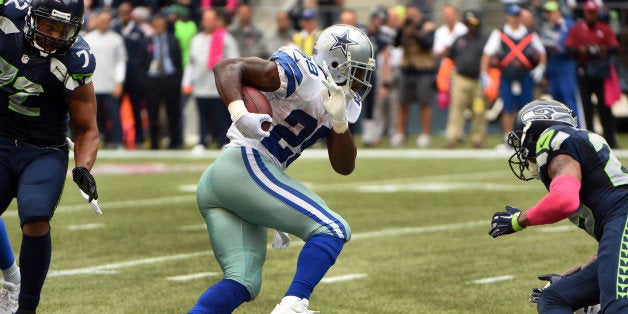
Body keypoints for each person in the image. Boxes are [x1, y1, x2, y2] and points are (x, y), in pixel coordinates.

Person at [188, 24, 375, 313]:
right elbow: (226, 67)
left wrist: (339, 123)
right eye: (358, 70)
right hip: (244, 162)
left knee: (243, 282)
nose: (362, 79)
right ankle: (293, 304)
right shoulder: (304, 75)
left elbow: (344, 166)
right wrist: (240, 114)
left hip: (230, 181)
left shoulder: (338, 101)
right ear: (336, 63)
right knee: (332, 228)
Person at [0, 0, 100, 312]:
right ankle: (9, 276)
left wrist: (83, 168)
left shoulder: (75, 60)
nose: (53, 35)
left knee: (36, 216)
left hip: (43, 148)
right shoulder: (7, 19)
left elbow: (87, 129)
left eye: (63, 29)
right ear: (30, 16)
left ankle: (26, 307)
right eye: (48, 25)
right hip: (1, 138)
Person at [488, 99, 628, 312]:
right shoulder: (574, 142)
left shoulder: (553, 138)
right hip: (621, 223)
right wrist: (581, 271)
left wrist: (519, 220)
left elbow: (565, 200)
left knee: (617, 307)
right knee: (554, 297)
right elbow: (616, 247)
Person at [480, 4, 546, 147]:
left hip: (525, 77)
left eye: (517, 16)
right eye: (512, 16)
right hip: (507, 76)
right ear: (507, 17)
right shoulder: (499, 34)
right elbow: (487, 54)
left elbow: (542, 53)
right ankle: (508, 138)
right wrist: (484, 73)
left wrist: (541, 67)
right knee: (507, 108)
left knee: (527, 109)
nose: (514, 19)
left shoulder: (529, 35)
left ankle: (527, 139)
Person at [565, 0, 619, 148]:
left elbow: (614, 47)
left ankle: (610, 139)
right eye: (589, 12)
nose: (591, 15)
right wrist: (583, 49)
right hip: (584, 71)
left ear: (597, 13)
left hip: (601, 72)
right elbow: (569, 48)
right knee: (586, 108)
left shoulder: (605, 28)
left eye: (594, 12)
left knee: (605, 107)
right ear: (585, 13)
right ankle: (588, 141)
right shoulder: (577, 29)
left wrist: (601, 49)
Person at [183, 8, 239, 153]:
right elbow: (191, 62)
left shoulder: (225, 38)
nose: (209, 22)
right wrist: (187, 81)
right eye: (206, 19)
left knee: (221, 115)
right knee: (202, 115)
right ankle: (202, 141)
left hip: (219, 86)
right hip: (200, 85)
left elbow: (235, 60)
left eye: (211, 19)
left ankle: (223, 140)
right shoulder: (196, 40)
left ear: (217, 21)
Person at [391, 5, 436, 148]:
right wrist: (401, 29)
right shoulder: (403, 27)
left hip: (423, 70)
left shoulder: (428, 26)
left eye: (413, 15)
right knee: (403, 103)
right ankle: (401, 133)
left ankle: (424, 134)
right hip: (407, 69)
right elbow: (395, 43)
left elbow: (428, 44)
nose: (411, 18)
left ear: (419, 15)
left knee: (425, 103)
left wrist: (415, 33)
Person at [444, 10, 488, 149]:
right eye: (468, 23)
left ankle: (477, 139)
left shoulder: (484, 40)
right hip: (461, 79)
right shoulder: (459, 39)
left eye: (473, 23)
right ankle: (453, 138)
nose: (471, 26)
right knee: (456, 109)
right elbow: (451, 57)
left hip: (478, 81)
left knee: (479, 111)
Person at [84, 10, 127, 150]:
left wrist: (119, 82)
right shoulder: (88, 38)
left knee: (114, 116)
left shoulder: (116, 39)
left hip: (110, 85)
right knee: (93, 118)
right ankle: (95, 142)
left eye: (107, 20)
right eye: (101, 20)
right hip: (92, 85)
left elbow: (121, 62)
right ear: (96, 21)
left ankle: (117, 142)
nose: (104, 23)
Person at [140, 13, 184, 150]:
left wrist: (177, 80)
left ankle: (175, 142)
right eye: (156, 25)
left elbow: (179, 62)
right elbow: (141, 64)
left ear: (165, 26)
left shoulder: (173, 40)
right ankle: (154, 143)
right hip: (152, 81)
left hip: (170, 79)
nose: (159, 27)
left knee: (173, 113)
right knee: (152, 113)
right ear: (152, 26)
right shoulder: (146, 41)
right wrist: (145, 81)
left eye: (161, 25)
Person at [538, 0, 581, 125]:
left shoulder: (569, 25)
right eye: (548, 13)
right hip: (553, 65)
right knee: (556, 100)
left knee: (569, 97)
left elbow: (573, 46)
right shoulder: (547, 27)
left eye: (552, 12)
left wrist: (560, 47)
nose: (549, 15)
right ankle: (560, 129)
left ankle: (575, 128)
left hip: (566, 64)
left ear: (558, 12)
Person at [112, 2, 147, 149]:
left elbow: (144, 56)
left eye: (127, 12)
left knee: (135, 109)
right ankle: (116, 139)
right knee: (114, 109)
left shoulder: (139, 32)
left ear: (131, 13)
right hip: (117, 78)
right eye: (122, 12)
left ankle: (138, 139)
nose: (124, 15)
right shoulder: (114, 30)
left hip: (134, 77)